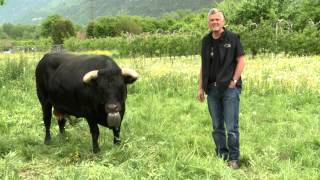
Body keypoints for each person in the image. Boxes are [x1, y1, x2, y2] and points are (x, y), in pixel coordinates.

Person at [197, 8, 245, 169]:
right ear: (208, 23)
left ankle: (234, 159)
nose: (215, 22)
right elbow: (203, 66)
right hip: (212, 90)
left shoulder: (232, 38)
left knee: (231, 127)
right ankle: (221, 155)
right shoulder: (205, 41)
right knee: (217, 126)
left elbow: (241, 60)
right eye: (212, 20)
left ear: (223, 21)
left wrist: (234, 80)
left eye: (217, 19)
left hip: (230, 89)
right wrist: (200, 88)